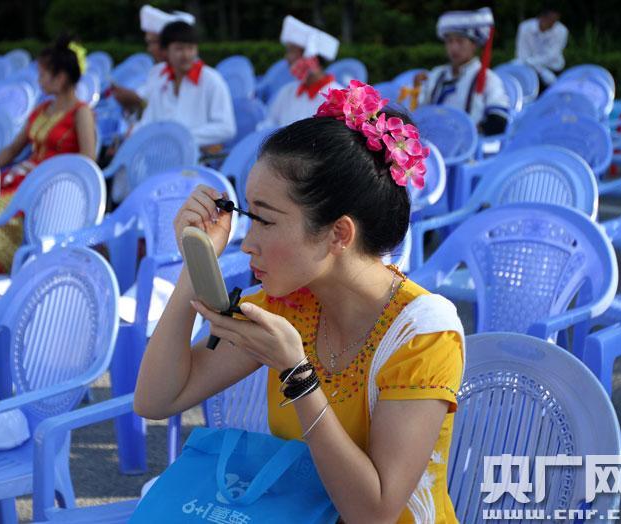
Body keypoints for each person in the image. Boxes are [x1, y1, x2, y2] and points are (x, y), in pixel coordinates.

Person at [135, 82, 465, 523]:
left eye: (265, 220)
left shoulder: (423, 333)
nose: (247, 243)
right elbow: (157, 400)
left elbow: (374, 513)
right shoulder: (290, 305)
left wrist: (297, 375)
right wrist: (194, 266)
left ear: (338, 234)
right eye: (249, 217)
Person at [0, 36, 96, 275]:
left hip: (50, 190)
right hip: (21, 180)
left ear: (60, 78)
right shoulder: (42, 109)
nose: (39, 80)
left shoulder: (81, 113)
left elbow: (87, 162)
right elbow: (12, 150)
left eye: (43, 74)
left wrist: (59, 184)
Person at [134, 21, 235, 151]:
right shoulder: (161, 80)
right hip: (160, 154)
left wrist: (181, 137)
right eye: (179, 48)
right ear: (165, 51)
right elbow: (148, 122)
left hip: (199, 158)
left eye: (191, 48)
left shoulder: (212, 80)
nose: (186, 55)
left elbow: (226, 128)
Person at [417, 7, 509, 136]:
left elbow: (499, 120)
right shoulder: (436, 75)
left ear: (474, 45)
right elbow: (420, 112)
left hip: (468, 149)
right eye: (449, 41)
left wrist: (466, 132)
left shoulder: (488, 78)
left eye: (460, 41)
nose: (454, 47)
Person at [107, 5, 196, 114]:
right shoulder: (157, 73)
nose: (149, 49)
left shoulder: (207, 79)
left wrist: (139, 102)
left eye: (152, 42)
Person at [259, 15, 342, 129]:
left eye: (291, 51)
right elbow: (267, 126)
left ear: (309, 55)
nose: (287, 58)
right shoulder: (287, 92)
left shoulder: (336, 98)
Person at [515, 4, 568, 91]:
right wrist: (540, 70)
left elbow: (552, 55)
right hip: (528, 68)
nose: (553, 23)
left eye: (556, 20)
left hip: (553, 69)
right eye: (551, 20)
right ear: (542, 17)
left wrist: (532, 63)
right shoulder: (525, 27)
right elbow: (521, 53)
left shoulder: (561, 30)